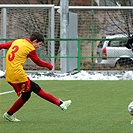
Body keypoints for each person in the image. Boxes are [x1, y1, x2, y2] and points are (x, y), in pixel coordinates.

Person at [0, 32, 71, 122]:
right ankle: (60, 104)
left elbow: (2, 45)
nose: (38, 47)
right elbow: (38, 62)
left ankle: (9, 114)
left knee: (27, 94)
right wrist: (49, 65)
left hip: (10, 73)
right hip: (17, 74)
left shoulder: (18, 41)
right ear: (34, 41)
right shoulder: (30, 48)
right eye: (39, 44)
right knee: (35, 89)